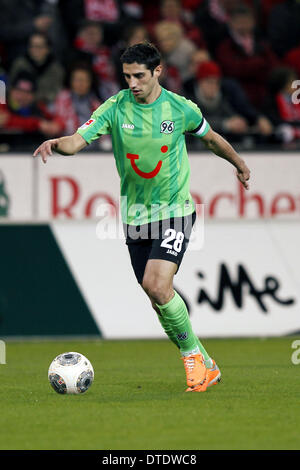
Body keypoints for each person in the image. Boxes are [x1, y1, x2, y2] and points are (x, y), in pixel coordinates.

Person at [33, 42, 250, 393]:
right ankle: (206, 362)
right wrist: (57, 143)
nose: (132, 83)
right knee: (156, 296)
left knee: (158, 285)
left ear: (157, 72)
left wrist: (239, 164)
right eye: (127, 76)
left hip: (176, 211)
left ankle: (193, 361)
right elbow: (77, 141)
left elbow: (211, 140)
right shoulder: (115, 108)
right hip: (135, 217)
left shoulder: (181, 109)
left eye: (138, 76)